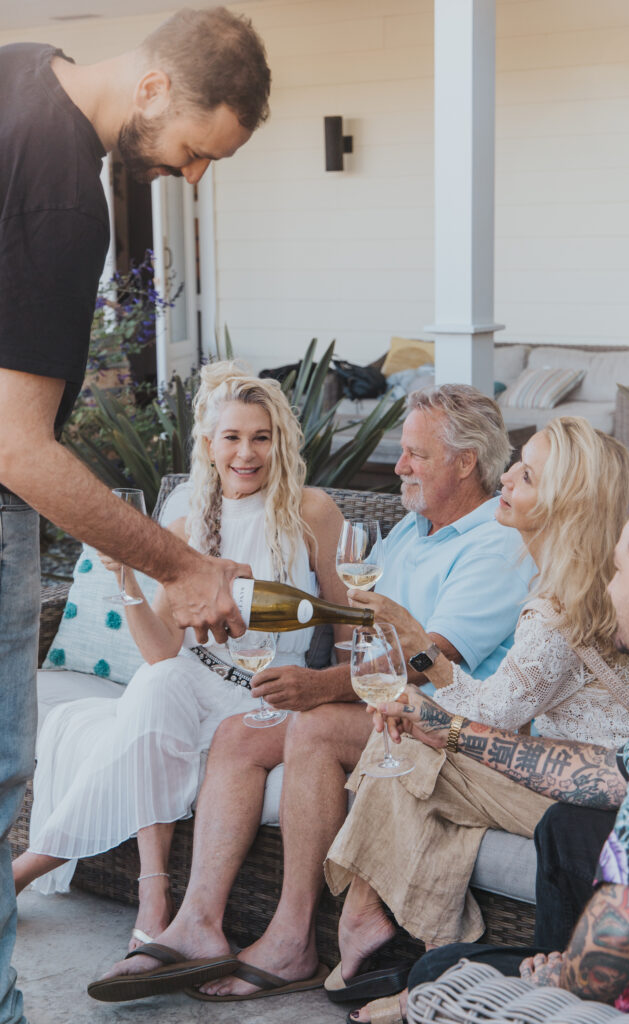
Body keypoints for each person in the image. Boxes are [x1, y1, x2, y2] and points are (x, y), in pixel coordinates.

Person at [87, 383, 537, 1003]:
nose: (398, 466)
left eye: (414, 455)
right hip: (384, 701)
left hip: (450, 720)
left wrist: (320, 685)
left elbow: (429, 654)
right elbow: (351, 618)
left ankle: (293, 938)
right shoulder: (415, 529)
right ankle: (198, 922)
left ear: (464, 463)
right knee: (239, 732)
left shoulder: (496, 542)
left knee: (315, 726)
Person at [0, 10, 270, 1024]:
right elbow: (19, 446)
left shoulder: (15, 70)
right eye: (197, 153)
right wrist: (185, 566)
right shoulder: (66, 187)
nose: (192, 178)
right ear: (154, 88)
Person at [323, 419, 629, 1021]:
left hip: (593, 800)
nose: (504, 477)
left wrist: (414, 658)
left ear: (563, 503)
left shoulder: (557, 604)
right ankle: (425, 947)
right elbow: (490, 707)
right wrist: (418, 652)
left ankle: (402, 940)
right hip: (594, 787)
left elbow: (490, 715)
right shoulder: (583, 585)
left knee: (407, 746)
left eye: (526, 474)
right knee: (412, 744)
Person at [12, 363, 349, 952]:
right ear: (209, 445)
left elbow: (347, 625)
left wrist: (327, 684)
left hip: (264, 693)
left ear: (281, 443)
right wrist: (127, 582)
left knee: (149, 705)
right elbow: (161, 649)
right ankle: (154, 894)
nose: (246, 453)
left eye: (261, 437)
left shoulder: (312, 513)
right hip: (192, 680)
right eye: (233, 437)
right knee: (156, 683)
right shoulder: (187, 524)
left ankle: (32, 865)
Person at [402, 473, 629, 1024]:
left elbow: (617, 941)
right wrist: (450, 730)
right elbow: (610, 775)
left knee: (437, 973)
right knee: (568, 823)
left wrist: (565, 976)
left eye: (620, 573)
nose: (609, 589)